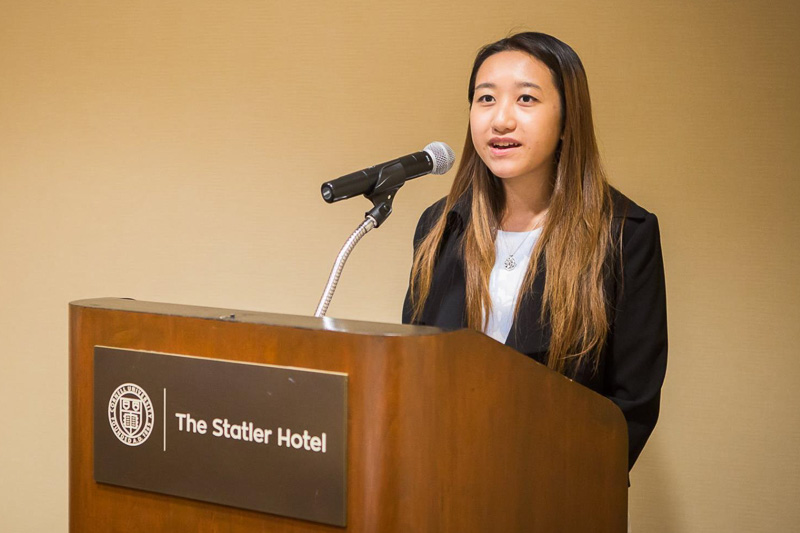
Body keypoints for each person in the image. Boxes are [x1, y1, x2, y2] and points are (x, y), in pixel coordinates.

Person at [402, 32, 667, 472]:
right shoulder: (441, 225)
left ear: (567, 120)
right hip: (440, 480)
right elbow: (414, 367)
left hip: (553, 489)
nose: (500, 120)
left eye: (526, 100)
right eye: (485, 99)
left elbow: (631, 407)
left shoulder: (623, 234)